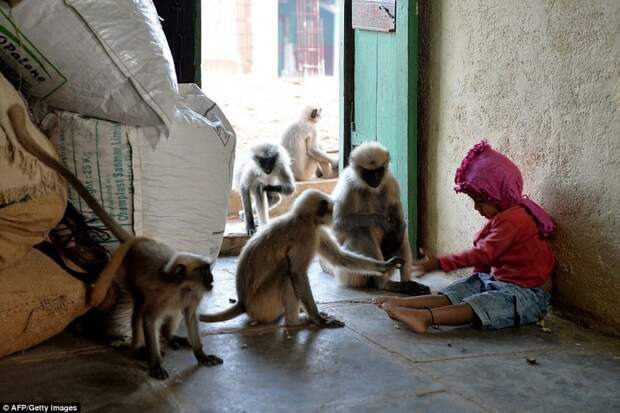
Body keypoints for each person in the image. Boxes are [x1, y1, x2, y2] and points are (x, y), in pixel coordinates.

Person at [373, 141, 555, 333]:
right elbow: (485, 263)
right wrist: (476, 280)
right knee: (465, 287)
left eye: (481, 201)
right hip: (501, 283)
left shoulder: (514, 220)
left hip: (528, 296)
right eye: (474, 201)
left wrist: (440, 264)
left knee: (481, 302)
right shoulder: (504, 217)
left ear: (499, 194)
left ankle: (425, 317)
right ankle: (409, 305)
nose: (477, 207)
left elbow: (483, 255)